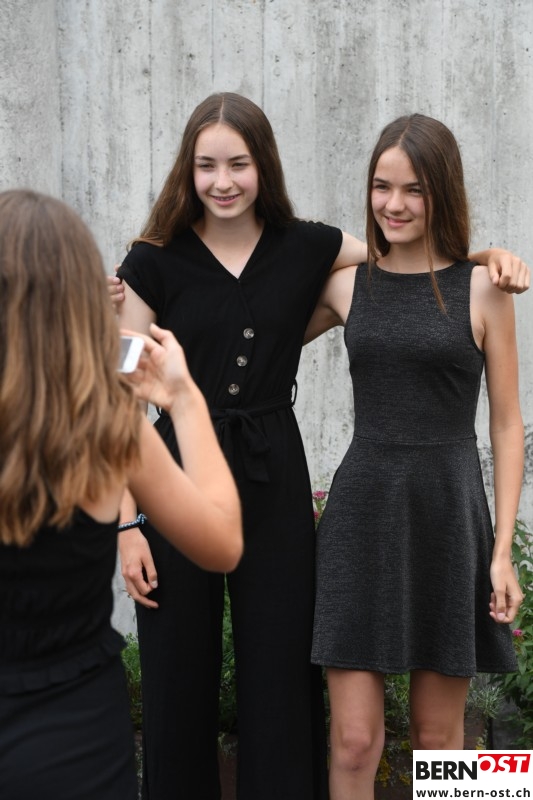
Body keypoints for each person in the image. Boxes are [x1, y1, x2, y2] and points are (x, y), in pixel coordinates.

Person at [108, 92, 529, 800]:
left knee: (420, 733)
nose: (222, 181)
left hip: (401, 501)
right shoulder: (164, 264)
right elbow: (124, 383)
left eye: (238, 164)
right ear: (187, 169)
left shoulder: (338, 255)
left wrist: (490, 257)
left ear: (264, 166)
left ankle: (490, 789)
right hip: (278, 493)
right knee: (326, 731)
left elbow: (425, 273)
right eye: (206, 165)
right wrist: (126, 523)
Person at [306, 114, 525, 800]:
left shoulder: (484, 287)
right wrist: (134, 299)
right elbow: (242, 325)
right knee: (353, 741)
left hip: (448, 515)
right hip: (361, 515)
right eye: (381, 186)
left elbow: (507, 425)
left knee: (439, 740)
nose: (393, 204)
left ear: (442, 193)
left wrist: (501, 553)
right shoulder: (345, 284)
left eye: (414, 190)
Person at [0, 189, 242, 800]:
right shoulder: (106, 426)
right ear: (82, 299)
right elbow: (222, 541)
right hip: (79, 739)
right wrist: (184, 399)